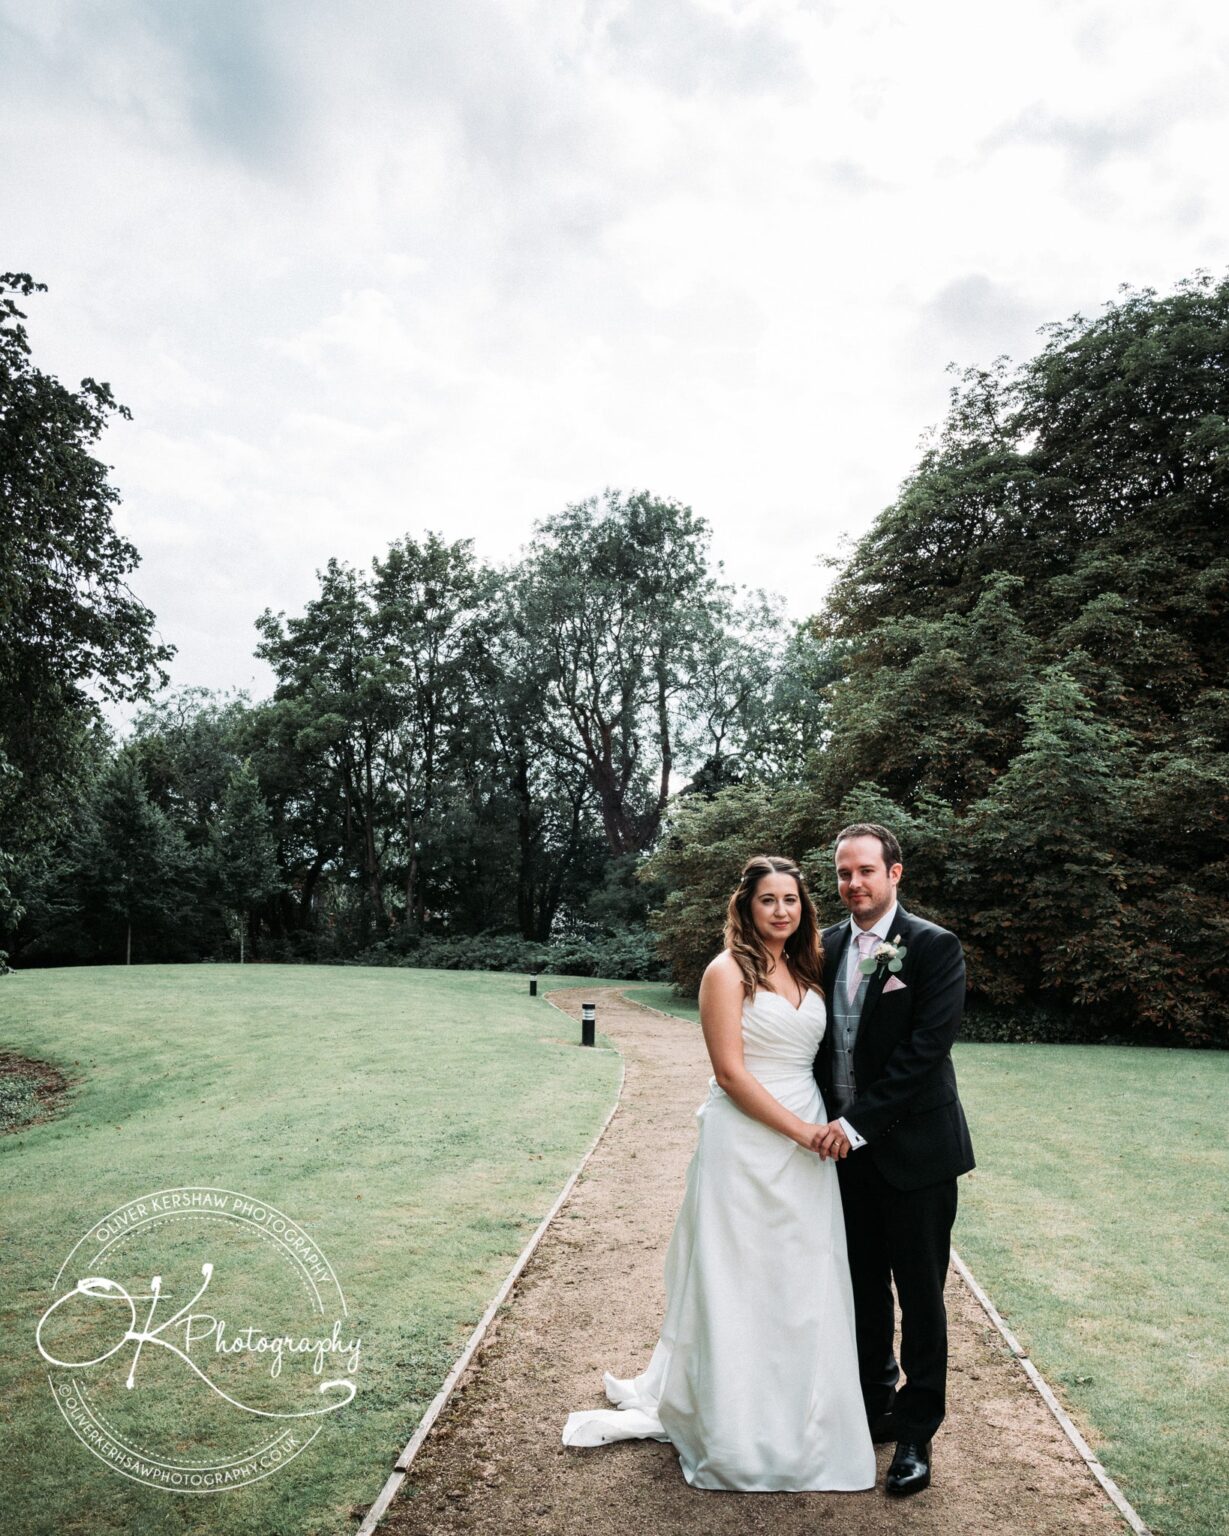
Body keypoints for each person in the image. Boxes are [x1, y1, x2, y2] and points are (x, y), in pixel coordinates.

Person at [562, 854, 876, 1492]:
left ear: (803, 907)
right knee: (740, 1274)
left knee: (801, 1274)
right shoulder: (726, 971)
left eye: (791, 900)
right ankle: (735, 1426)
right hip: (749, 1139)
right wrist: (803, 1133)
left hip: (810, 1139)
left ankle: (803, 1417)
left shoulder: (808, 967)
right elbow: (731, 1075)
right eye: (769, 901)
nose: (782, 910)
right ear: (746, 907)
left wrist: (824, 1127)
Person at [812, 823, 975, 1497]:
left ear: (894, 874)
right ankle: (873, 1406)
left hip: (916, 1157)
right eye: (843, 873)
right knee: (859, 1292)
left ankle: (915, 1433)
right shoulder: (819, 948)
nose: (853, 883)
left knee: (920, 1297)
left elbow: (922, 1054)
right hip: (841, 1160)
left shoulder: (933, 947)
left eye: (865, 872)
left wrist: (855, 1124)